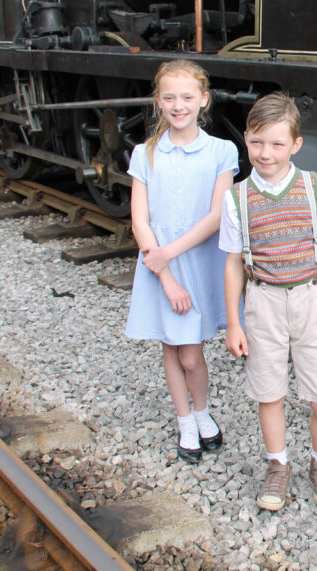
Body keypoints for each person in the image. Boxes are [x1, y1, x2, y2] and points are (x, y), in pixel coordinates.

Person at [220, 92, 317, 511]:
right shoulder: (236, 198)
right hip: (263, 304)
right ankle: (278, 465)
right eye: (257, 142)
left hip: (311, 300)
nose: (265, 153)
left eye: (277, 144)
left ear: (296, 145)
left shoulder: (316, 188)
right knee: (269, 392)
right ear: (245, 139)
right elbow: (233, 264)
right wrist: (235, 322)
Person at [125, 59, 239, 464]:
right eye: (169, 97)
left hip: (196, 262)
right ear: (157, 101)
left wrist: (168, 254)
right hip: (160, 269)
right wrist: (165, 274)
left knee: (190, 353)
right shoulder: (146, 153)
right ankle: (186, 420)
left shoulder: (221, 152)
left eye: (187, 97)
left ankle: (202, 410)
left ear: (203, 100)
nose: (178, 105)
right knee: (173, 348)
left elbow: (214, 216)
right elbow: (140, 220)